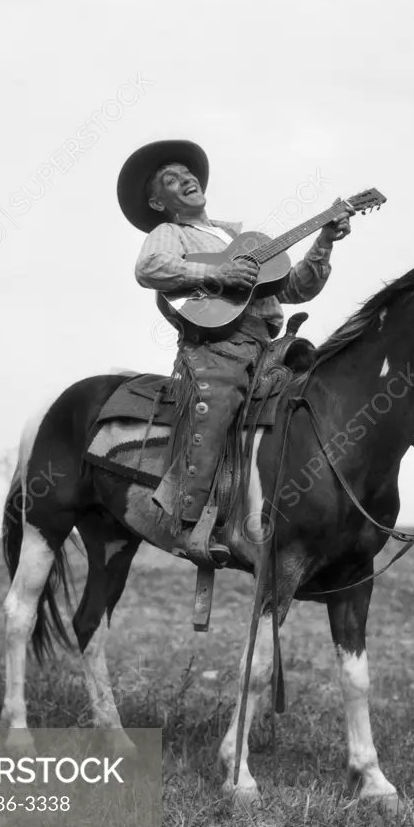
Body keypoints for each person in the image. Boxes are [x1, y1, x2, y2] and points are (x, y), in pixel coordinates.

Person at [117, 139, 351, 565]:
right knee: (219, 401)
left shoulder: (236, 237)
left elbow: (297, 286)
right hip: (217, 348)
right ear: (157, 201)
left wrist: (325, 241)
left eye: (187, 173)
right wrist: (217, 271)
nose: (186, 178)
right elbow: (148, 269)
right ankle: (189, 524)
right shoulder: (168, 234)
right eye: (171, 179)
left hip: (267, 344)